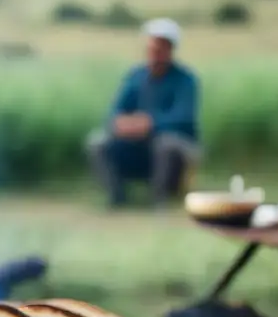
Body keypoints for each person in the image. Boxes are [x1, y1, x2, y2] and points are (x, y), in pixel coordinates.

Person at [86, 18, 200, 206]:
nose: (155, 51)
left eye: (161, 47)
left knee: (165, 144)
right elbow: (116, 111)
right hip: (136, 143)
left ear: (170, 49)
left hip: (174, 147)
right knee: (97, 142)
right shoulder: (135, 76)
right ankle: (116, 197)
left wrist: (150, 124)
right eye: (152, 45)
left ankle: (159, 199)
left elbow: (183, 118)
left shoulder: (186, 80)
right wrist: (122, 123)